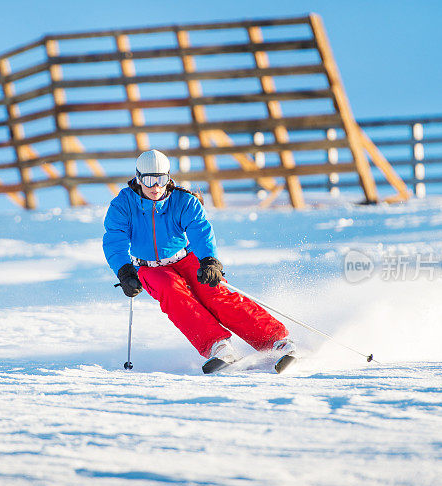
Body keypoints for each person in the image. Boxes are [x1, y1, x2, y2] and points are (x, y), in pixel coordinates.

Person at [102, 149, 298, 374]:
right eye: (148, 180)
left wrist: (209, 261)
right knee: (173, 293)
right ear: (138, 178)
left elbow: (200, 231)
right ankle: (219, 346)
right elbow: (114, 239)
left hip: (185, 258)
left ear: (168, 177)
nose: (155, 186)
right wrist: (125, 272)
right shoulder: (123, 204)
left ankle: (276, 341)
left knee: (214, 292)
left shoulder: (182, 200)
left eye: (161, 179)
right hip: (150, 268)